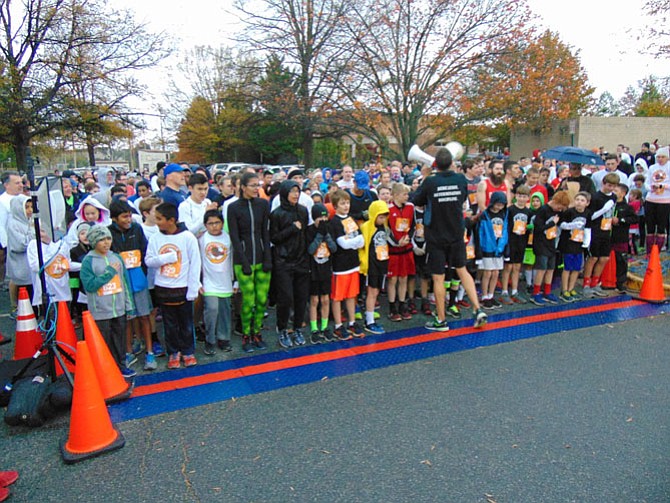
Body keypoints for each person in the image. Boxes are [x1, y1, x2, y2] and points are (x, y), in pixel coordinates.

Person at [411, 147, 487, 331]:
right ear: (451, 163)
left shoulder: (430, 182)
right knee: (462, 270)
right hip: (456, 233)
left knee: (438, 278)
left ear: (436, 163)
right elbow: (460, 196)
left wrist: (424, 177)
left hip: (436, 235)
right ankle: (478, 310)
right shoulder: (460, 179)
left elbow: (417, 200)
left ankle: (441, 320)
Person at [145, 203, 202, 369]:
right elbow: (149, 260)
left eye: (160, 219)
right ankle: (173, 351)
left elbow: (195, 264)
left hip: (183, 288)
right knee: (169, 323)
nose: (157, 222)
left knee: (186, 322)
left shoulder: (187, 237)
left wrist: (193, 288)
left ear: (171, 220)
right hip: (163, 288)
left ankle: (188, 350)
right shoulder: (156, 238)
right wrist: (165, 258)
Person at [80, 225, 136, 378]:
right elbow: (89, 286)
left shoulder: (116, 257)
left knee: (120, 339)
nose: (106, 243)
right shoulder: (88, 261)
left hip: (119, 308)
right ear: (93, 242)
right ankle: (103, 370)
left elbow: (125, 283)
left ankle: (121, 365)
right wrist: (109, 273)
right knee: (103, 341)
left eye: (108, 238)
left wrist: (128, 305)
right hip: (100, 311)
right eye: (101, 240)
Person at [108, 200, 156, 371]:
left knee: (144, 316)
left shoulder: (137, 228)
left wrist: (141, 271)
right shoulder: (109, 233)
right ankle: (128, 352)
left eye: (129, 216)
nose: (128, 220)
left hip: (138, 279)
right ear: (114, 218)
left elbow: (145, 251)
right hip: (120, 282)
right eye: (124, 217)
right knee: (127, 318)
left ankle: (150, 352)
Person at [227, 172, 272, 353]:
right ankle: (246, 334)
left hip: (262, 259)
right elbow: (235, 237)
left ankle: (257, 332)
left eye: (258, 185)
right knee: (249, 300)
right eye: (252, 185)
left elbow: (265, 232)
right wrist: (243, 261)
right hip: (243, 260)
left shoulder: (263, 204)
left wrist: (268, 257)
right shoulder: (233, 207)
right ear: (243, 187)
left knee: (261, 300)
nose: (256, 189)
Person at [270, 180, 310, 349]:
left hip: (301, 260)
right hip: (283, 261)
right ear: (284, 193)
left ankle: (297, 328)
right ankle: (282, 329)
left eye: (297, 191)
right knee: (285, 298)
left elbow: (306, 234)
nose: (295, 194)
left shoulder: (302, 210)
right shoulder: (277, 214)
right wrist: (292, 229)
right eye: (292, 191)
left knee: (301, 297)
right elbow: (274, 238)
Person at [329, 189, 365, 340]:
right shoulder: (334, 222)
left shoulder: (350, 219)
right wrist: (353, 242)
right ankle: (338, 325)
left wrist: (353, 242)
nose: (346, 206)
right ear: (335, 206)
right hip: (340, 267)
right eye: (342, 203)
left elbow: (361, 240)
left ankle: (352, 322)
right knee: (337, 297)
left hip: (353, 263)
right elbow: (342, 243)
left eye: (347, 202)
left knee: (351, 295)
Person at [199, 210, 235, 355]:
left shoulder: (228, 238)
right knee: (211, 310)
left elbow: (233, 260)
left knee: (225, 312)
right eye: (210, 223)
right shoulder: (201, 239)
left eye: (217, 223)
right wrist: (198, 282)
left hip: (226, 281)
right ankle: (210, 339)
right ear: (205, 225)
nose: (214, 226)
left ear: (222, 223)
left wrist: (236, 281)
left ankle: (224, 338)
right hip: (209, 282)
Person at [529, 191, 570, 305]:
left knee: (551, 268)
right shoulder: (543, 210)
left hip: (552, 243)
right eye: (559, 207)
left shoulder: (558, 212)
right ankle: (536, 292)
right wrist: (552, 223)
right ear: (555, 202)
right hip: (541, 244)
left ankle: (547, 291)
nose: (559, 210)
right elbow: (538, 228)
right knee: (541, 269)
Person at [583, 173, 619, 298]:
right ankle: (586, 284)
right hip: (595, 230)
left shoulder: (614, 197)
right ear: (604, 183)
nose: (611, 188)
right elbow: (590, 216)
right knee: (593, 258)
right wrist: (603, 209)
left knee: (604, 258)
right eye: (609, 185)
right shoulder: (595, 197)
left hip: (606, 230)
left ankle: (595, 282)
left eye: (613, 186)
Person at [305, 203, 337, 344]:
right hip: (313, 269)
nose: (322, 221)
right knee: (314, 300)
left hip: (326, 268)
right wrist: (319, 235)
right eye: (319, 219)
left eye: (325, 218)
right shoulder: (309, 230)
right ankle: (314, 328)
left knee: (325, 299)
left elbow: (334, 248)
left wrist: (327, 235)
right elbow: (310, 250)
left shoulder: (328, 229)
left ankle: (324, 327)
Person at [358, 200, 390, 334]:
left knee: (376, 291)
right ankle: (369, 320)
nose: (382, 220)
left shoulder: (384, 227)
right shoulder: (366, 227)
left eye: (384, 217)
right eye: (380, 217)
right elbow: (361, 246)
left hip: (382, 262)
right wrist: (363, 263)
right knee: (371, 291)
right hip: (371, 265)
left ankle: (370, 316)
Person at [386, 183, 415, 320]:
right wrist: (397, 243)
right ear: (396, 195)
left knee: (404, 277)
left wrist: (409, 238)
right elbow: (386, 231)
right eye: (404, 194)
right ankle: (392, 307)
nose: (407, 197)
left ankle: (403, 304)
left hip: (406, 248)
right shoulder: (388, 209)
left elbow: (413, 225)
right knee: (393, 279)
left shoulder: (410, 207)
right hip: (393, 250)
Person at [475, 191, 508, 310]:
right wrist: (478, 253)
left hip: (499, 248)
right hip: (487, 248)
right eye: (498, 204)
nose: (500, 207)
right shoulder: (485, 215)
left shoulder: (504, 214)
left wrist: (506, 250)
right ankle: (484, 296)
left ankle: (491, 294)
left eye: (502, 204)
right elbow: (479, 233)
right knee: (487, 273)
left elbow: (505, 233)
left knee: (496, 273)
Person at [499, 185, 532, 304]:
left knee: (517, 267)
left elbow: (529, 226)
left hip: (522, 241)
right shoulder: (510, 210)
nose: (521, 198)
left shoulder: (528, 212)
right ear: (515, 196)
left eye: (524, 196)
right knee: (508, 267)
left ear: (528, 198)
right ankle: (504, 291)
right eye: (519, 196)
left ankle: (514, 291)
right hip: (510, 241)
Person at [558, 192, 592, 302]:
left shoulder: (587, 213)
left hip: (579, 243)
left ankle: (571, 288)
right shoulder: (569, 212)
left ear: (587, 203)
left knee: (577, 268)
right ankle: (564, 290)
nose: (579, 202)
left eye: (582, 200)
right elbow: (561, 225)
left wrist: (586, 243)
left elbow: (588, 229)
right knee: (567, 267)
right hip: (568, 243)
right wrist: (572, 225)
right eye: (577, 199)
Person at [6, 195, 35, 319]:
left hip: (29, 264)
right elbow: (20, 245)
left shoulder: (29, 221)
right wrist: (33, 234)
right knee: (23, 291)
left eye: (31, 207)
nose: (30, 210)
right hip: (20, 264)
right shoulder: (13, 224)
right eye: (26, 207)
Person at [643, 146, 670, 254]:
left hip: (664, 200)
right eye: (658, 157)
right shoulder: (652, 167)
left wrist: (663, 186)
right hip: (651, 199)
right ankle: (649, 250)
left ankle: (658, 250)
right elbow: (647, 182)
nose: (660, 159)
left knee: (661, 225)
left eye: (662, 157)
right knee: (649, 225)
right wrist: (651, 188)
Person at [611, 184, 637, 292]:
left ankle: (621, 282)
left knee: (621, 260)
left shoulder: (627, 207)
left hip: (621, 237)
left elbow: (635, 219)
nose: (613, 192)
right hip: (607, 237)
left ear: (623, 193)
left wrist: (621, 220)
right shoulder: (609, 205)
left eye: (616, 190)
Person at [178, 172, 218, 239]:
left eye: (205, 189)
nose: (203, 192)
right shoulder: (184, 206)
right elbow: (188, 231)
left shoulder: (207, 202)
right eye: (199, 189)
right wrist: (205, 214)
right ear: (190, 188)